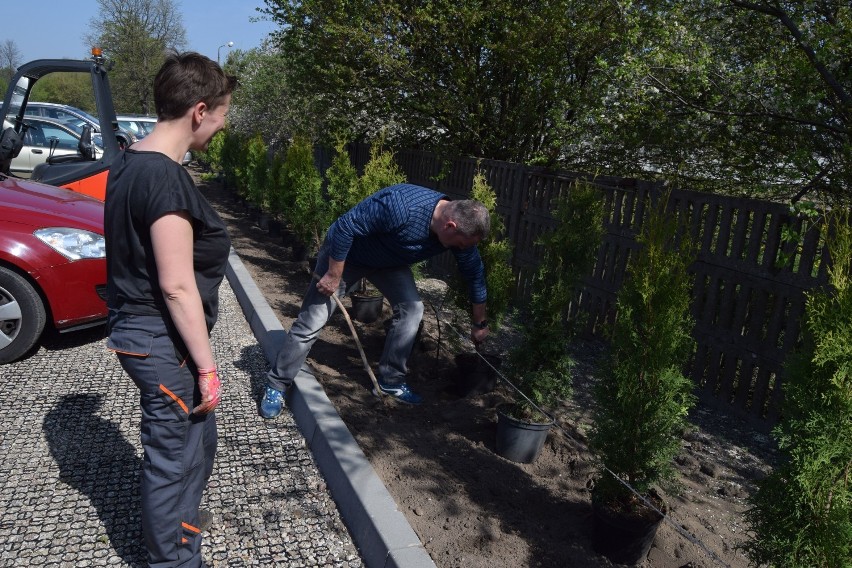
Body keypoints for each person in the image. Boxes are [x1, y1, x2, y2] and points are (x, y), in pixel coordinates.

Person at [104, 52, 236, 568]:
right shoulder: (162, 178)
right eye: (223, 114)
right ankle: (174, 561)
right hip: (163, 343)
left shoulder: (131, 161)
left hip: (145, 335)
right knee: (173, 462)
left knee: (194, 448)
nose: (223, 126)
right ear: (199, 111)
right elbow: (177, 284)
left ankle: (183, 537)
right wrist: (207, 366)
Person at [260, 183, 491, 418]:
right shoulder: (401, 206)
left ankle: (390, 379)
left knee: (413, 309)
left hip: (388, 264)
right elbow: (344, 228)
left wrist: (479, 324)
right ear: (450, 226)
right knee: (313, 320)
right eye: (460, 244)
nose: (461, 250)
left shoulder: (463, 233)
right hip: (347, 257)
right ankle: (277, 384)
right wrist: (333, 275)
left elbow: (475, 274)